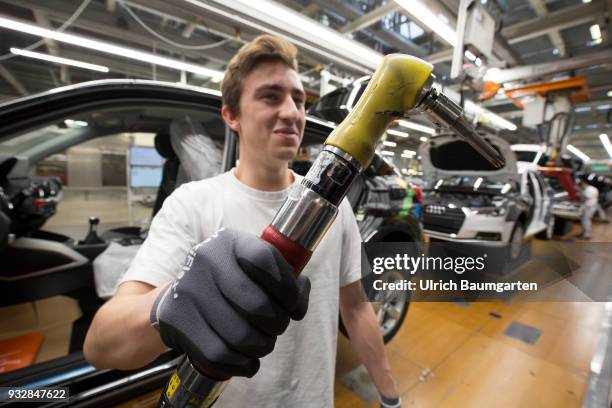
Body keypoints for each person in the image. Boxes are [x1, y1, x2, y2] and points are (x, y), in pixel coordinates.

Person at [84, 35, 400, 408]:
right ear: (231, 115)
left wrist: (390, 394)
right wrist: (170, 302)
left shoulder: (335, 208)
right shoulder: (193, 203)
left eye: (298, 99)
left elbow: (357, 307)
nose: (291, 112)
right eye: (270, 96)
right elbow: (100, 345)